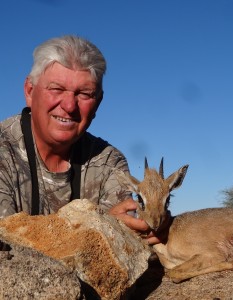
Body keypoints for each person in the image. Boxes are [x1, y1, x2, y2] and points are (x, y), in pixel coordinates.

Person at [0, 35, 159, 250]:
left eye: (84, 94)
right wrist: (100, 228)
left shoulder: (109, 163)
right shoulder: (3, 150)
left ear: (98, 102)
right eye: (56, 89)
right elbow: (7, 249)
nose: (69, 106)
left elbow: (120, 245)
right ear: (29, 91)